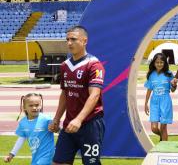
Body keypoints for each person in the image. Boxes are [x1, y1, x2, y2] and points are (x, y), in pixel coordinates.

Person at [48, 26, 105, 165]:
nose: (69, 43)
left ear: (84, 41)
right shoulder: (64, 65)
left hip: (90, 125)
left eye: (73, 39)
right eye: (67, 39)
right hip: (69, 124)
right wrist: (56, 119)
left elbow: (95, 95)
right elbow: (65, 93)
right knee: (58, 163)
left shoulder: (94, 65)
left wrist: (79, 119)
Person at [4, 93, 54, 165]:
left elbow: (60, 131)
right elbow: (21, 139)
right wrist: (11, 154)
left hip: (48, 156)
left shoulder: (46, 119)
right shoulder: (23, 122)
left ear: (41, 105)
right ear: (24, 107)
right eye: (31, 105)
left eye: (37, 105)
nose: (34, 108)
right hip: (35, 157)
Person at [144, 53, 176, 141]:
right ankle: (163, 138)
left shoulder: (169, 74)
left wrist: (174, 85)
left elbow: (173, 90)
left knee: (163, 128)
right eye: (157, 62)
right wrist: (146, 103)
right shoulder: (151, 75)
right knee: (154, 128)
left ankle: (164, 148)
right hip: (154, 102)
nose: (159, 64)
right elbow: (149, 89)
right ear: (154, 63)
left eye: (161, 62)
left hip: (165, 101)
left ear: (165, 63)